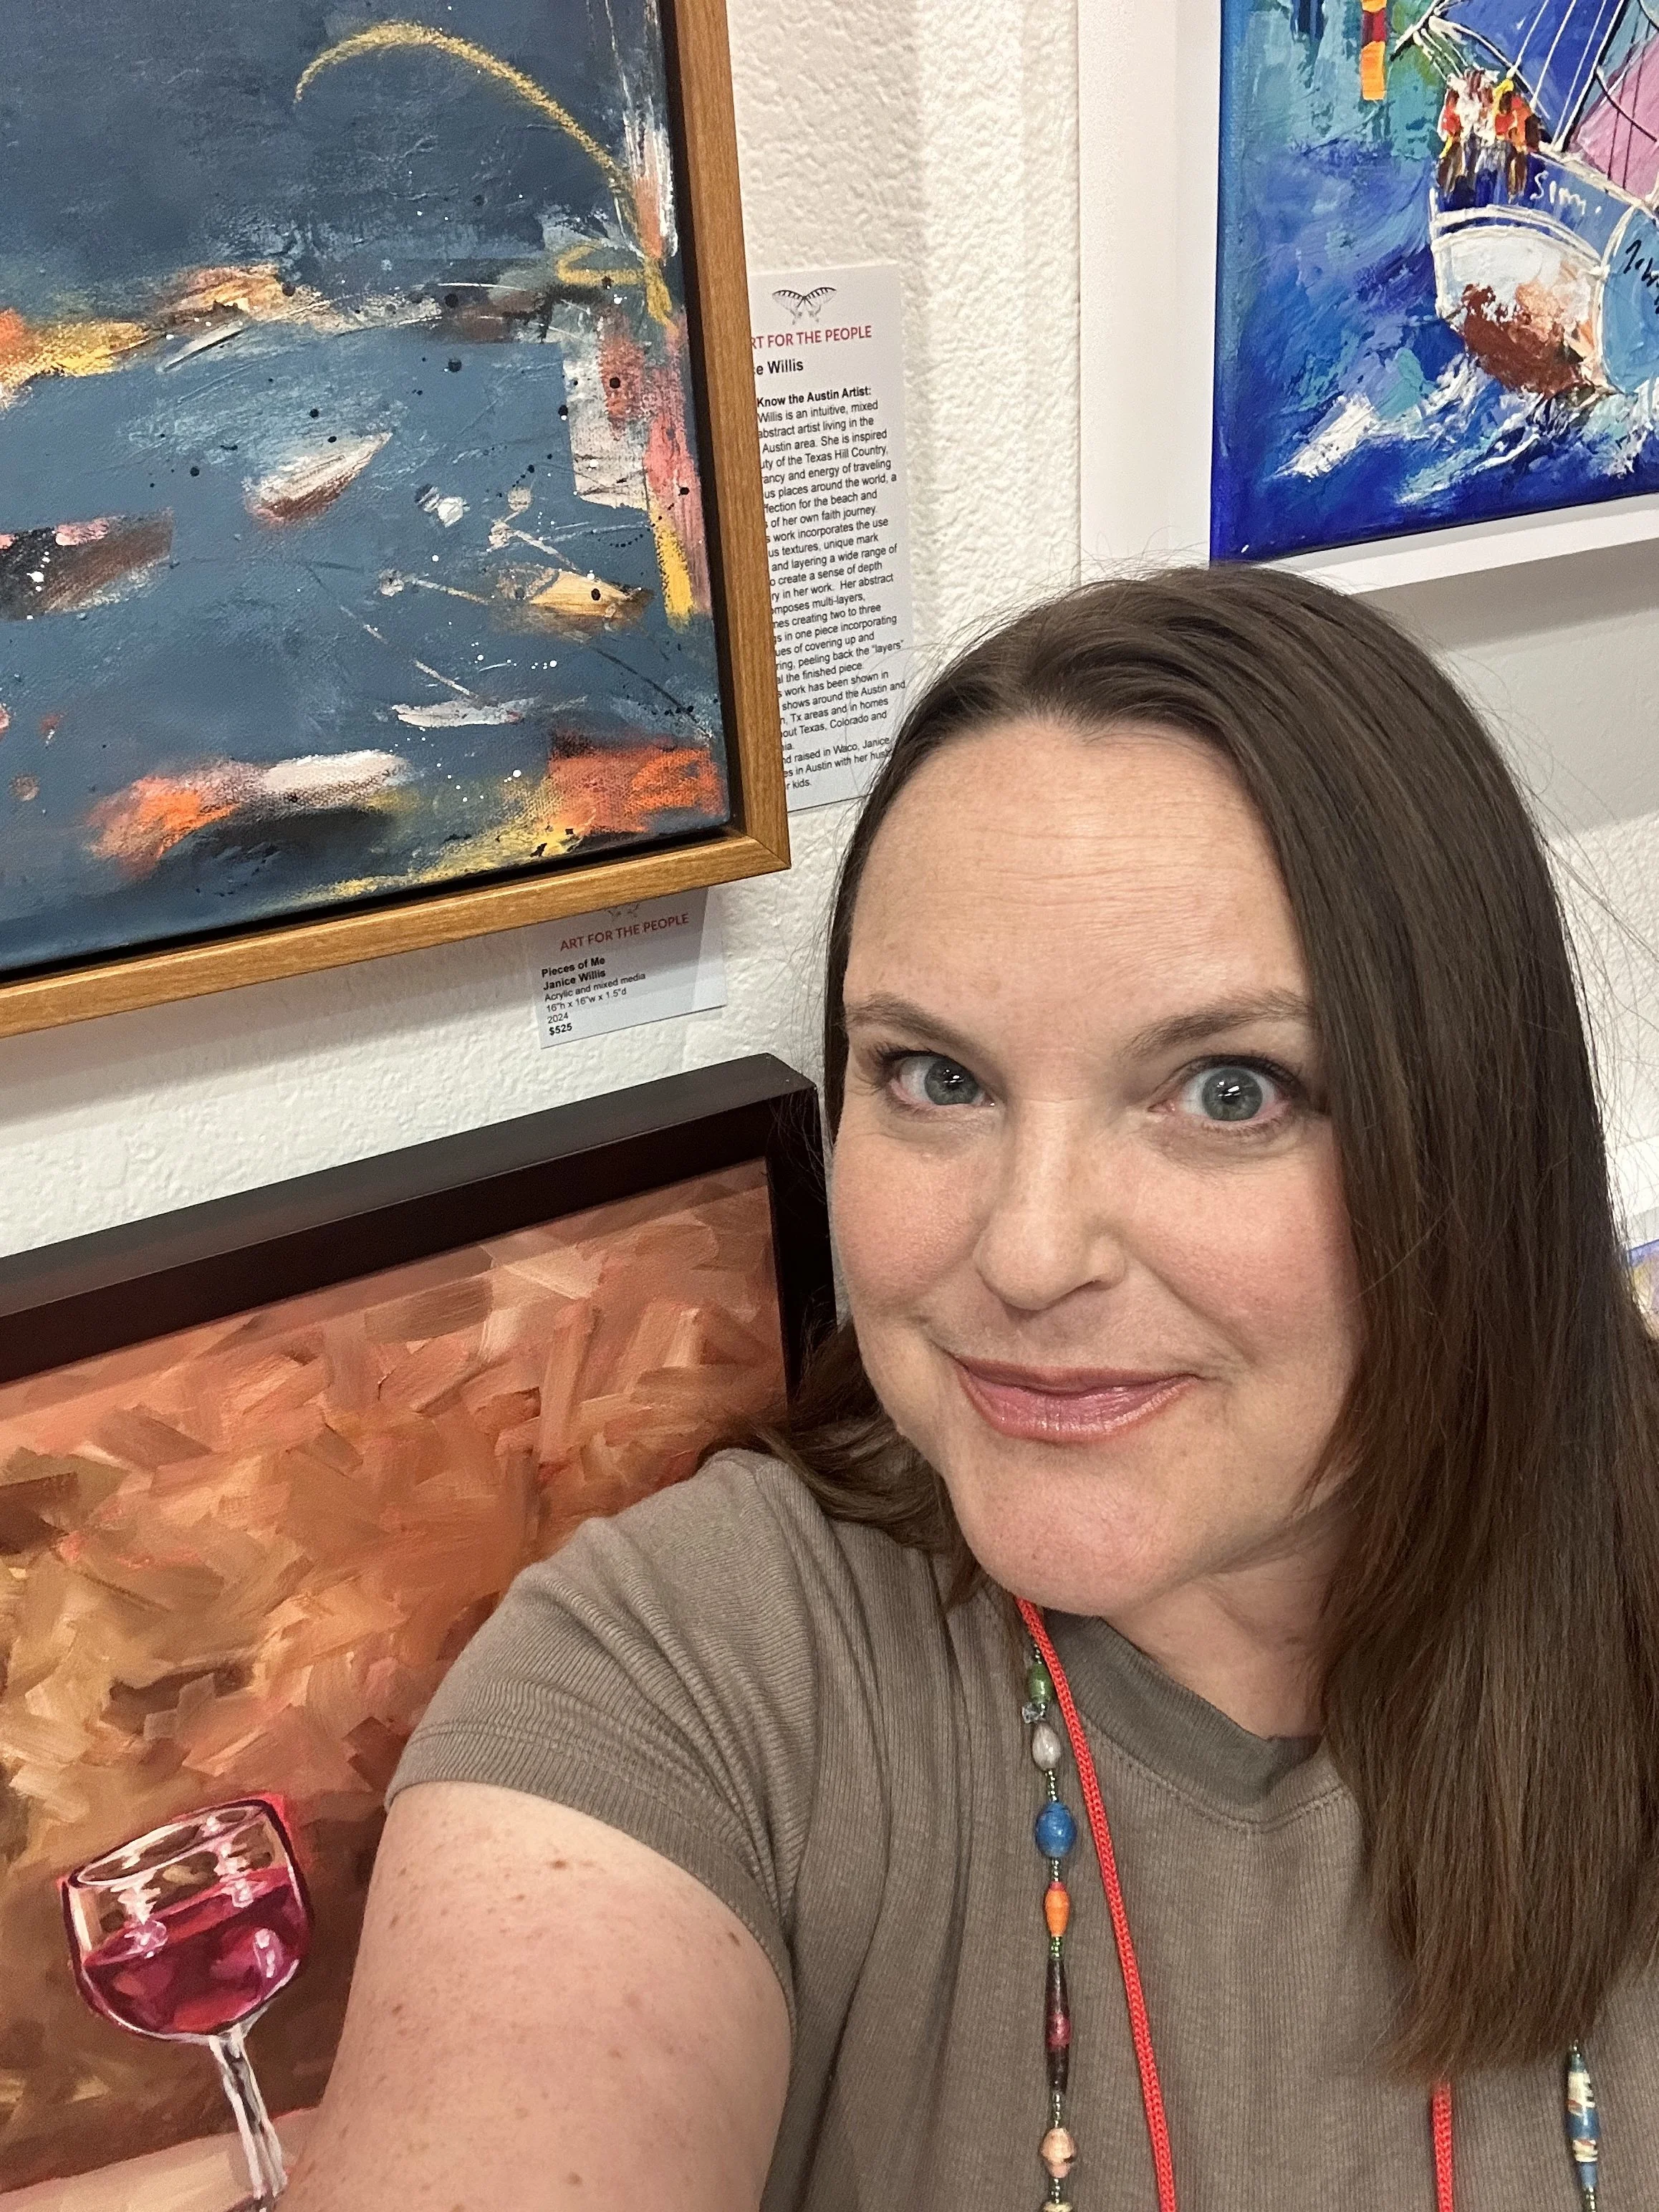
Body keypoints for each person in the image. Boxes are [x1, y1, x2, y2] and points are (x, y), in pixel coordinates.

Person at [282, 569, 1659, 2211]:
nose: (1025, 1252)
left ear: (1474, 1139)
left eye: (1231, 1088)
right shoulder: (685, 1684)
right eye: (936, 1077)